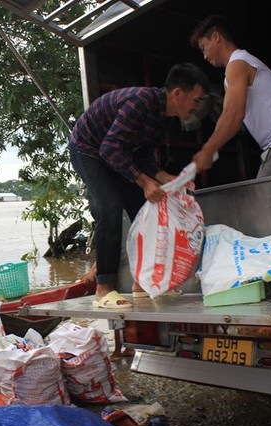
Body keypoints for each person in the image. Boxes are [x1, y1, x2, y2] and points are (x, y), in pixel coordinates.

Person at [69, 62, 210, 309]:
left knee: (144, 210)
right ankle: (104, 289)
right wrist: (145, 181)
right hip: (88, 148)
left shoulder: (163, 117)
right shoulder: (140, 102)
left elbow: (143, 155)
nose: (197, 107)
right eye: (196, 100)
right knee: (108, 208)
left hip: (114, 154)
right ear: (177, 94)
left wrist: (165, 177)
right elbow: (109, 148)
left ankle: (141, 284)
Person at [190, 15, 271, 177]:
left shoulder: (237, 64)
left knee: (262, 199)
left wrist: (208, 150)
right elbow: (227, 114)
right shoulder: (236, 68)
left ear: (216, 37)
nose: (205, 56)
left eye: (204, 47)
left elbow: (233, 115)